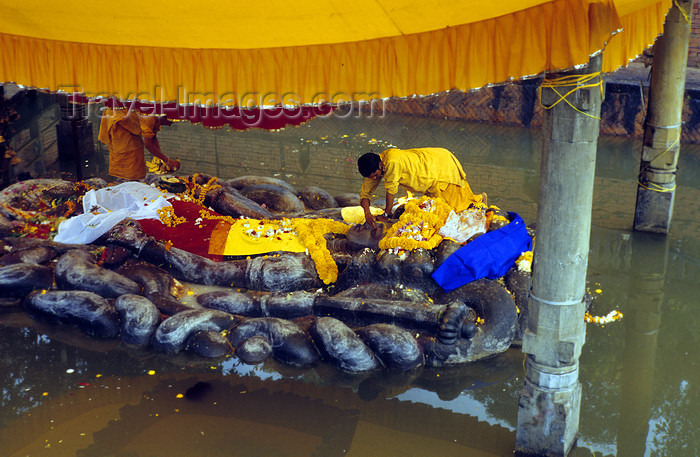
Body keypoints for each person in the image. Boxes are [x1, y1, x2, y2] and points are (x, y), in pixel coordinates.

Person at [358, 147, 487, 227]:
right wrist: (367, 213)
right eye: (372, 177)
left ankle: (481, 201)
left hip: (439, 166)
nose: (375, 179)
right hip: (427, 176)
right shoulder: (375, 166)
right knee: (443, 209)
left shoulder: (392, 162)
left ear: (380, 165)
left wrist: (386, 214)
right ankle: (478, 203)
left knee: (458, 205)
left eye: (375, 175)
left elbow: (391, 190)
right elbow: (365, 192)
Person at [98, 108, 180, 181]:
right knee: (131, 150)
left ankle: (133, 181)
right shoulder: (150, 118)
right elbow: (148, 145)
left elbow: (153, 137)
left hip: (126, 118)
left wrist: (162, 159)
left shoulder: (156, 117)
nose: (169, 125)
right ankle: (126, 181)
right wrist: (167, 160)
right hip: (119, 121)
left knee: (137, 152)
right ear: (164, 117)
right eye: (170, 122)